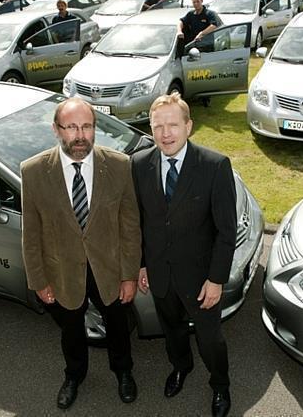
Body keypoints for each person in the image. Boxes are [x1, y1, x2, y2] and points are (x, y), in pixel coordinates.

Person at [21, 98, 141, 410]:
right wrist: (38, 280)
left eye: (87, 126)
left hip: (109, 269)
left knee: (117, 325)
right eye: (72, 127)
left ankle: (123, 371)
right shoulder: (33, 172)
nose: (80, 135)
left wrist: (129, 274)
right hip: (62, 273)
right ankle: (74, 375)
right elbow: (31, 235)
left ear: (95, 129)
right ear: (56, 130)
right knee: (71, 330)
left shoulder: (118, 165)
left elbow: (130, 226)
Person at [131, 93, 237, 417]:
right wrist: (142, 264)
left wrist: (217, 280)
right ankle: (181, 367)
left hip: (202, 279)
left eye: (173, 125)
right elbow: (140, 221)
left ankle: (220, 386)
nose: (166, 133)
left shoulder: (215, 166)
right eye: (158, 126)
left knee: (210, 340)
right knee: (173, 332)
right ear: (151, 128)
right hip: (162, 276)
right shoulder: (138, 164)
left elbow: (226, 231)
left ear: (188, 126)